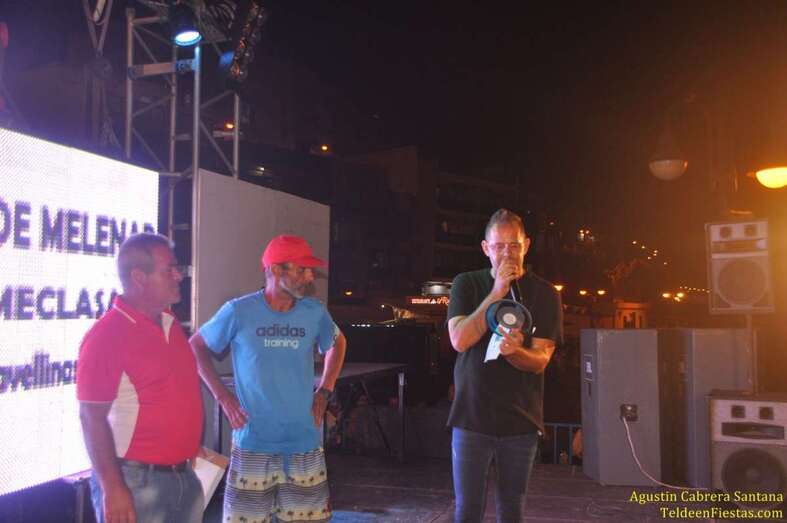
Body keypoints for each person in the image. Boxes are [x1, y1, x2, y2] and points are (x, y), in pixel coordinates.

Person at [190, 234, 346, 523]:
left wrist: (325, 390)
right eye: (302, 269)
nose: (310, 277)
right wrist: (223, 397)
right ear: (275, 270)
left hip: (303, 445)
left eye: (310, 270)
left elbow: (337, 343)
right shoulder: (239, 311)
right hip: (253, 445)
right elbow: (196, 346)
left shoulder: (314, 312)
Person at [77, 233, 204, 523]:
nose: (179, 276)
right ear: (138, 277)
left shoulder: (171, 323)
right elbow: (90, 417)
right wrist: (113, 488)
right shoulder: (107, 336)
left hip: (182, 478)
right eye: (169, 270)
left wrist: (186, 446)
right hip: (135, 483)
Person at [447, 208, 563, 523]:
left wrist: (515, 353)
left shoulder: (546, 294)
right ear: (486, 248)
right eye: (499, 246)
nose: (507, 254)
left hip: (520, 421)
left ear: (527, 245)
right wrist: (497, 291)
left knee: (512, 510)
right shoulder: (466, 284)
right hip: (471, 416)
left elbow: (540, 360)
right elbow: (459, 340)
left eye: (514, 245)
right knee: (467, 510)